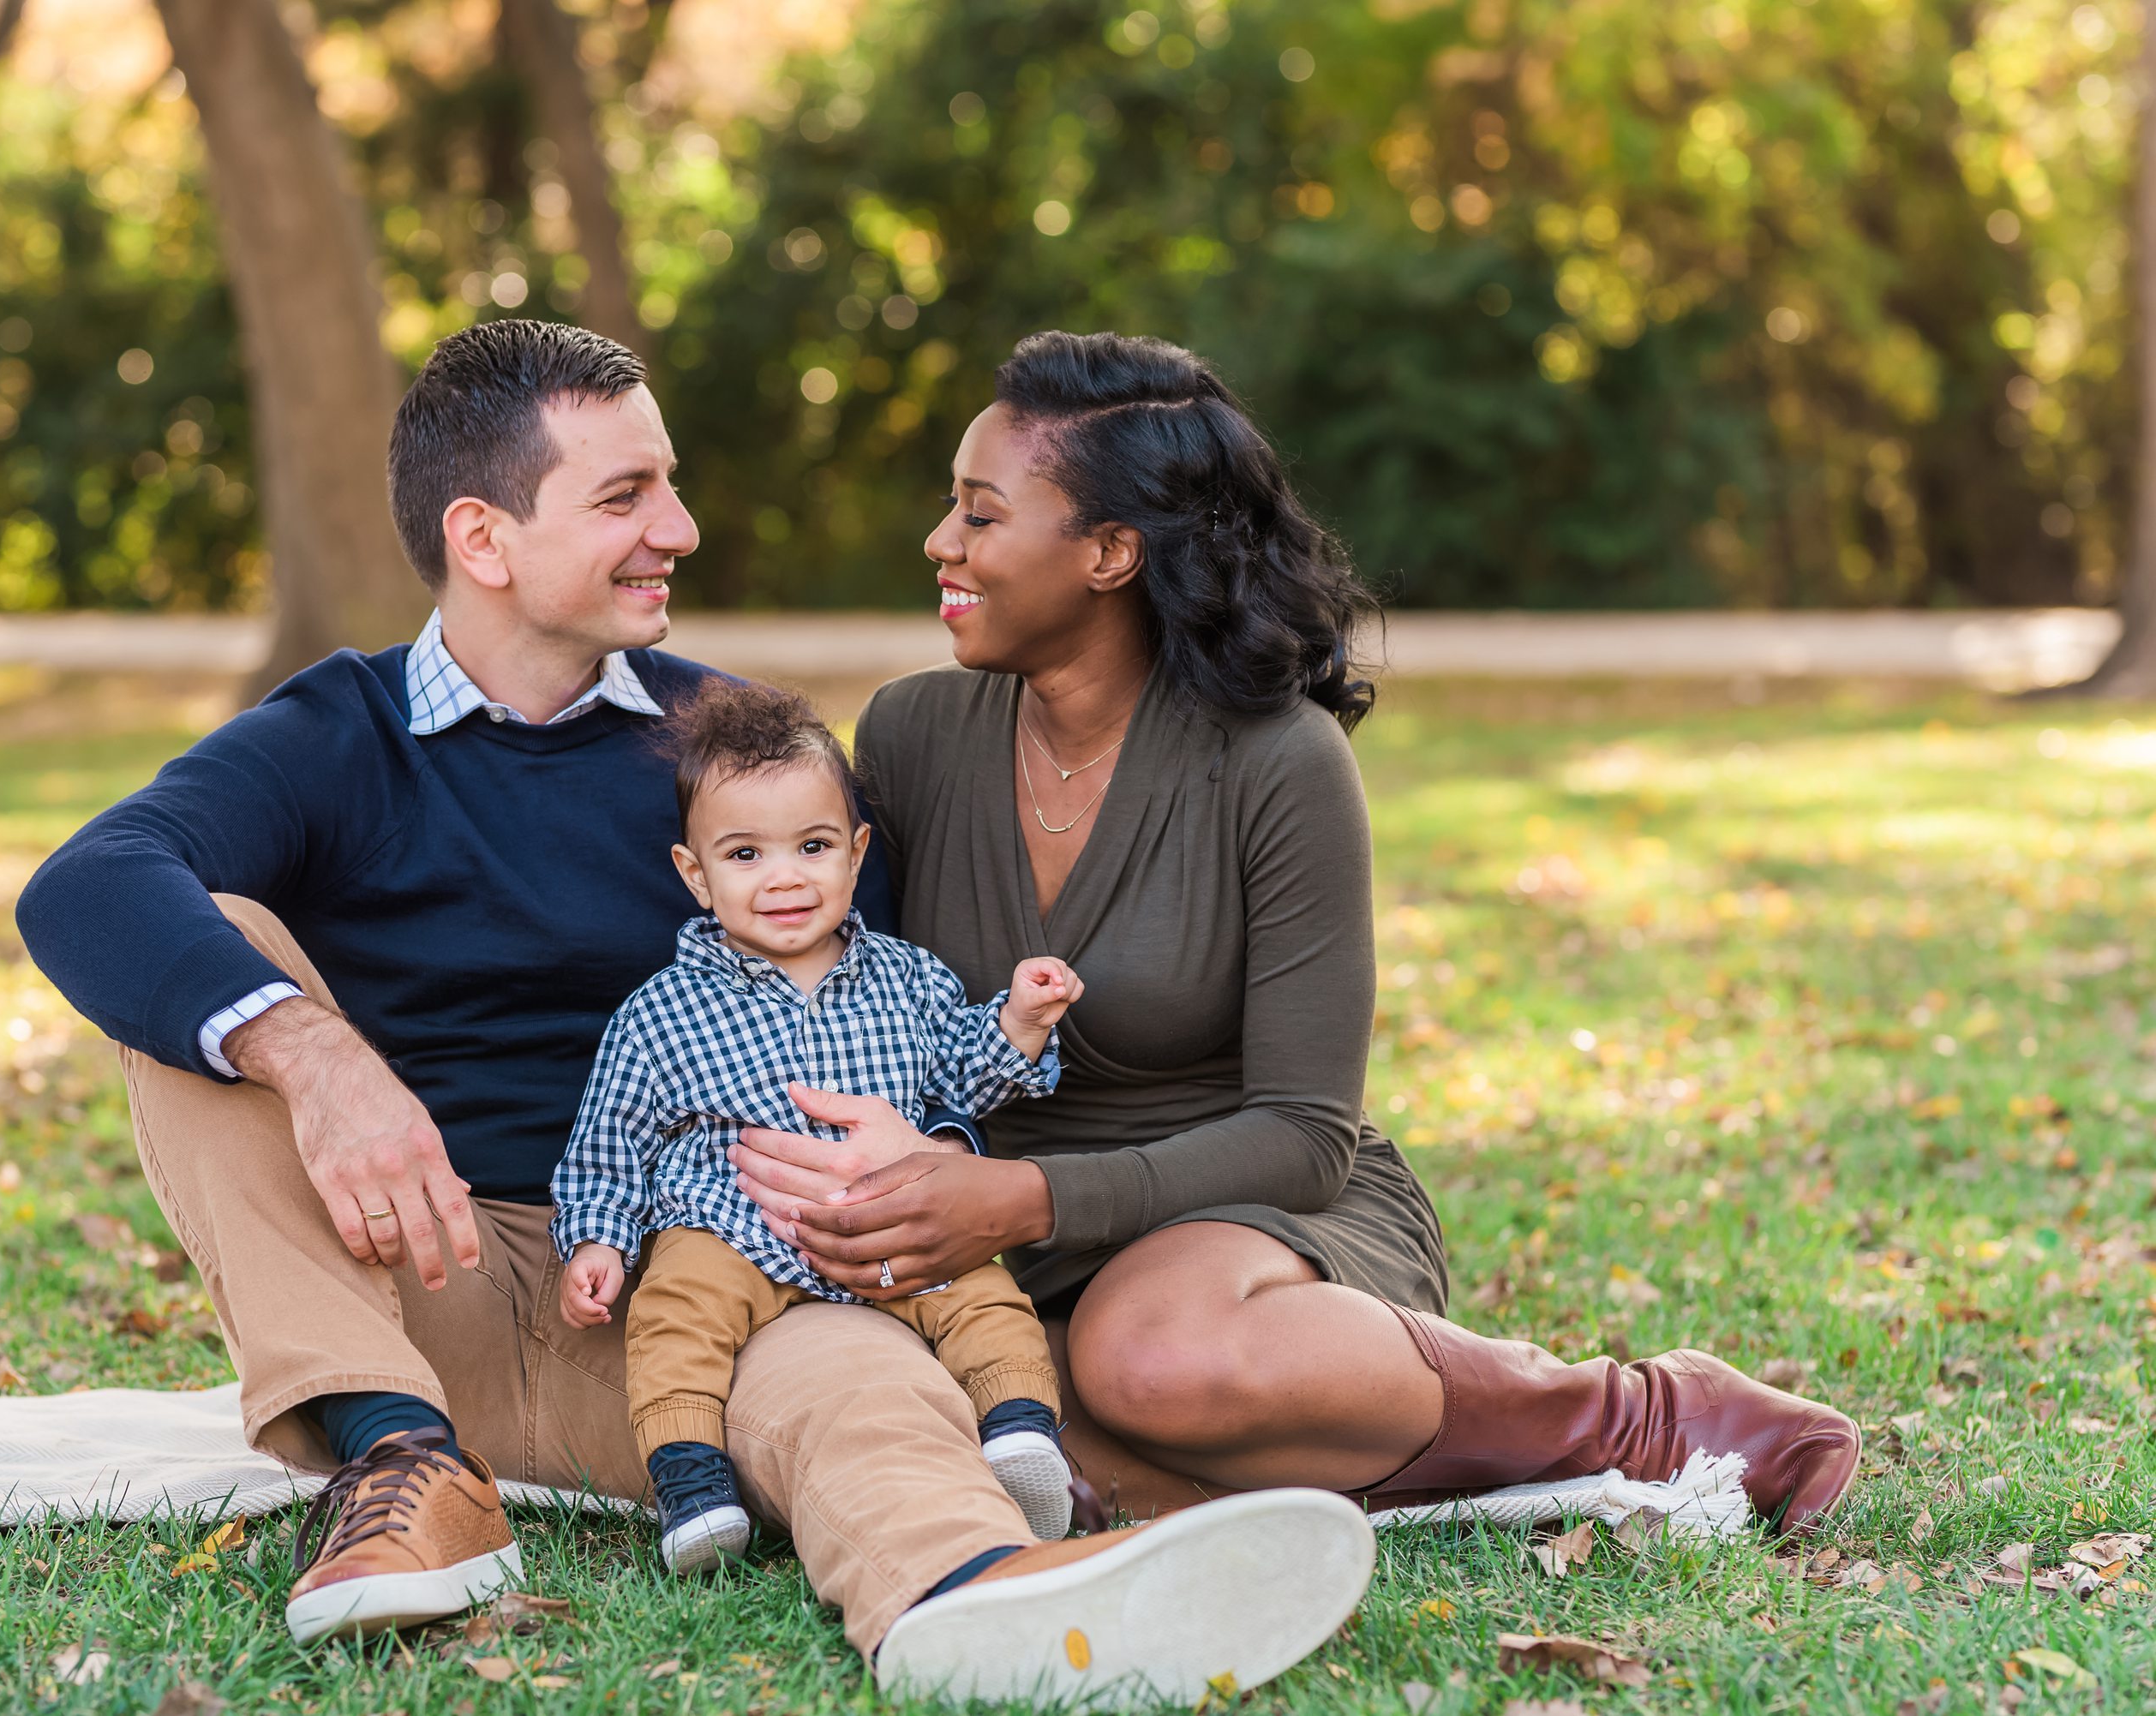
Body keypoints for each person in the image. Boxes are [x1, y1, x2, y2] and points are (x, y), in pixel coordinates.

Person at [15, 318, 1376, 1705]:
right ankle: (397, 1457)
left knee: (851, 1369)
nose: (681, 523)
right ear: (484, 539)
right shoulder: (339, 734)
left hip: (706, 1292)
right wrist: (319, 1060)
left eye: (666, 481)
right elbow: (87, 885)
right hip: (422, 1279)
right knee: (207, 967)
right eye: (625, 495)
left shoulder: (743, 756)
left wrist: (934, 1163)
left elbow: (887, 1008)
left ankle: (969, 1592)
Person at [730, 330, 1865, 1533]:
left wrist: (1023, 1194)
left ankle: (1628, 1412)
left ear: (1111, 551)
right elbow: (850, 996)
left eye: (980, 514)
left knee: (1143, 1358)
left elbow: (1303, 1133)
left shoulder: (1278, 760)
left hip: (1253, 1216)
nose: (941, 543)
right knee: (959, 1417)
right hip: (990, 1228)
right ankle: (1255, 1459)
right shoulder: (912, 733)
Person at [554, 678, 1082, 1575]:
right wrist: (597, 1240)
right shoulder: (663, 1011)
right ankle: (693, 1482)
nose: (786, 875)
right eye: (747, 853)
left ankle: (1021, 1434)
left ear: (855, 850)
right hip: (729, 1232)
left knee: (985, 1292)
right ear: (696, 872)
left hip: (891, 1227)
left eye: (813, 844)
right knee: (675, 1314)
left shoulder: (907, 978)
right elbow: (611, 1142)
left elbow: (963, 1069)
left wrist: (1022, 1022)